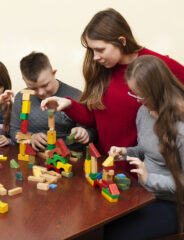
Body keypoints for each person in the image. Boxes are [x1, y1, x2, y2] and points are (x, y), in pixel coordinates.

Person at [41, 8, 184, 171]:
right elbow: (95, 118)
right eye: (92, 50)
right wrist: (68, 104)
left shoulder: (156, 65)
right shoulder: (100, 69)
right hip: (108, 165)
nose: (95, 57)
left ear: (122, 41)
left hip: (146, 174)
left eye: (100, 50)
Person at [104, 55, 184, 239]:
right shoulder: (144, 111)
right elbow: (146, 150)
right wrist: (125, 153)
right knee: (101, 226)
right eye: (133, 93)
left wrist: (149, 178)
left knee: (114, 235)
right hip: (144, 194)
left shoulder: (180, 128)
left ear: (157, 90)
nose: (138, 100)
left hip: (172, 203)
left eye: (141, 94)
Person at [10, 52, 95, 151]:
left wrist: (84, 133)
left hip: (69, 157)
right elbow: (14, 131)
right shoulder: (21, 97)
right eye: (33, 88)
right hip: (36, 158)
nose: (41, 92)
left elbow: (92, 131)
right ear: (24, 80)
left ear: (53, 73)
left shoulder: (77, 96)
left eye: (45, 85)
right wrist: (31, 138)